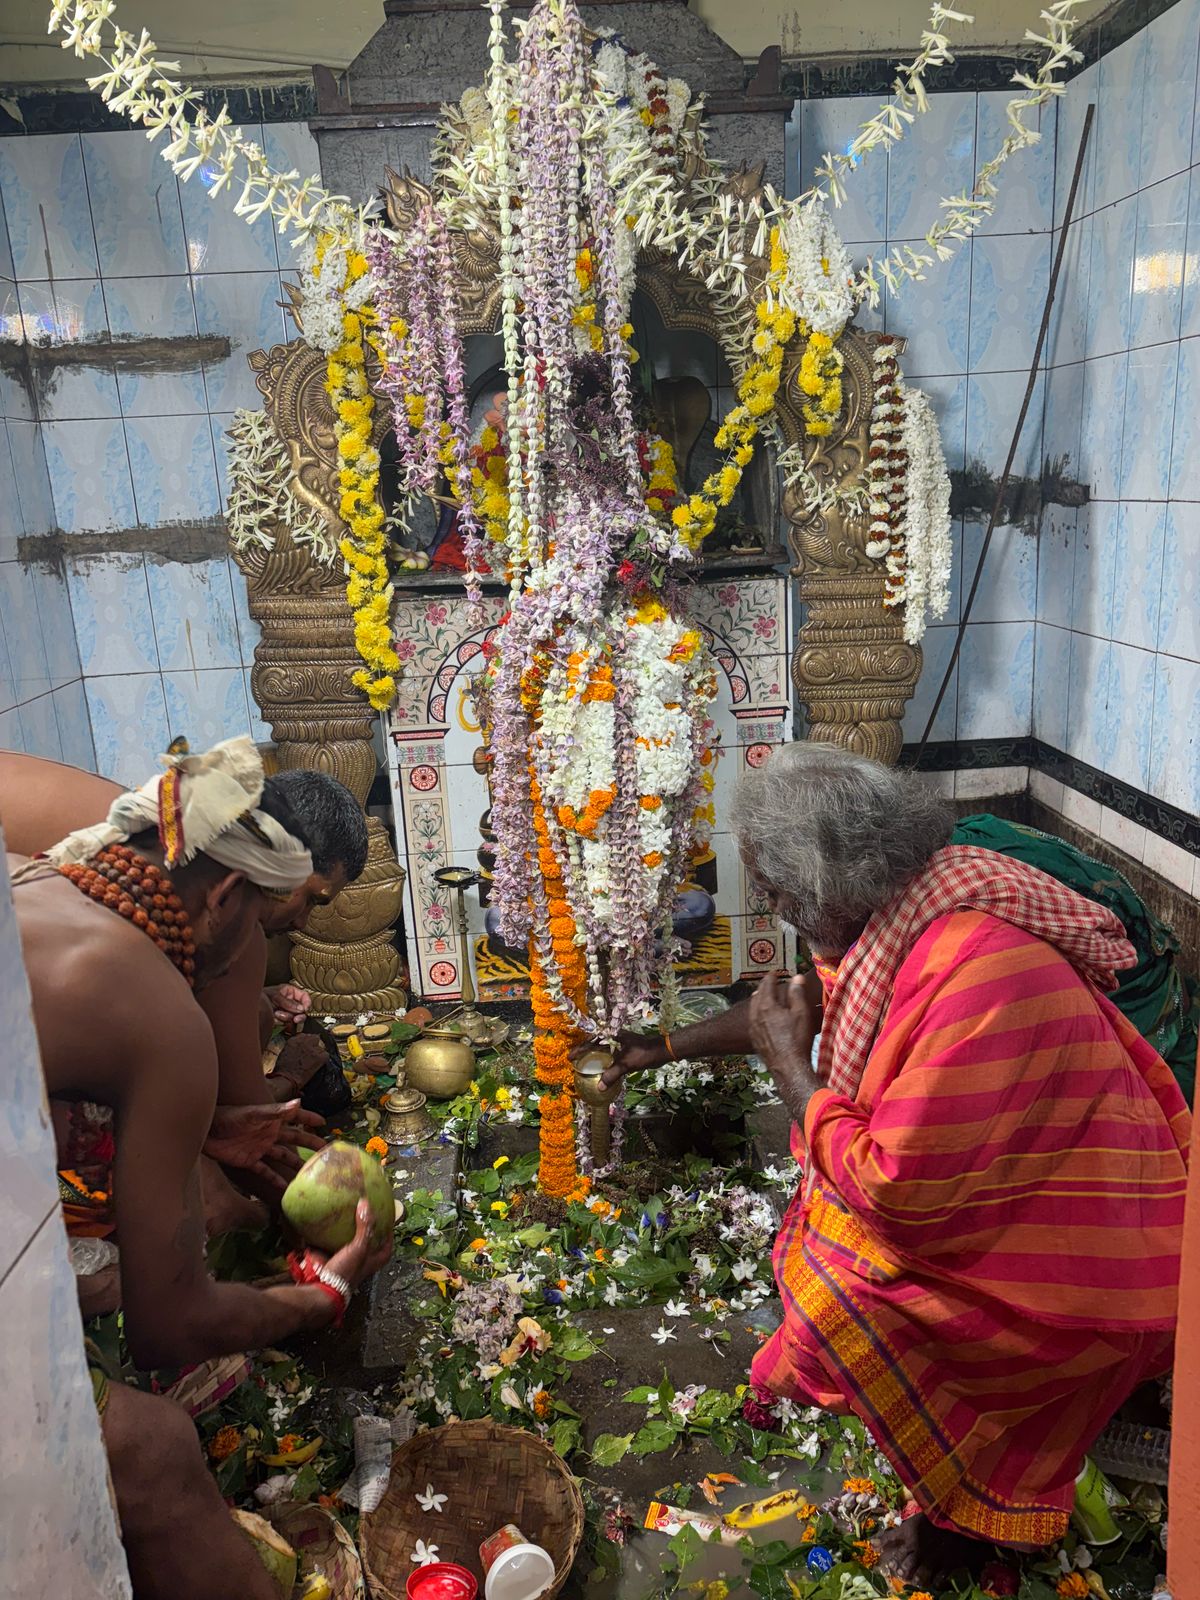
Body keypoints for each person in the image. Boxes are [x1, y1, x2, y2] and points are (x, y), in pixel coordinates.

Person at [608, 744, 1190, 1571]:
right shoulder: (906, 908)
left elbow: (895, 1189)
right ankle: (946, 1473)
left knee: (846, 1291)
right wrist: (662, 1046)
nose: (776, 913)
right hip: (1043, 1211)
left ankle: (964, 1512)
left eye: (775, 894)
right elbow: (803, 1005)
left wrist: (793, 1075)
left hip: (1104, 1262)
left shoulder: (975, 966)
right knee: (825, 1237)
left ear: (822, 886)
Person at [9, 738, 391, 1600]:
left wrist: (201, 1135)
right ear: (225, 894)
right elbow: (168, 1330)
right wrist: (320, 1295)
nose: (260, 942)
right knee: (154, 1449)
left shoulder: (41, 879)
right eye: (262, 918)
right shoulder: (158, 1009)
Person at [0, 750, 368, 1110]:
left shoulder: (170, 828)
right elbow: (247, 1112)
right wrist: (292, 1075)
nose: (302, 922)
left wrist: (252, 996)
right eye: (311, 899)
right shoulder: (227, 908)